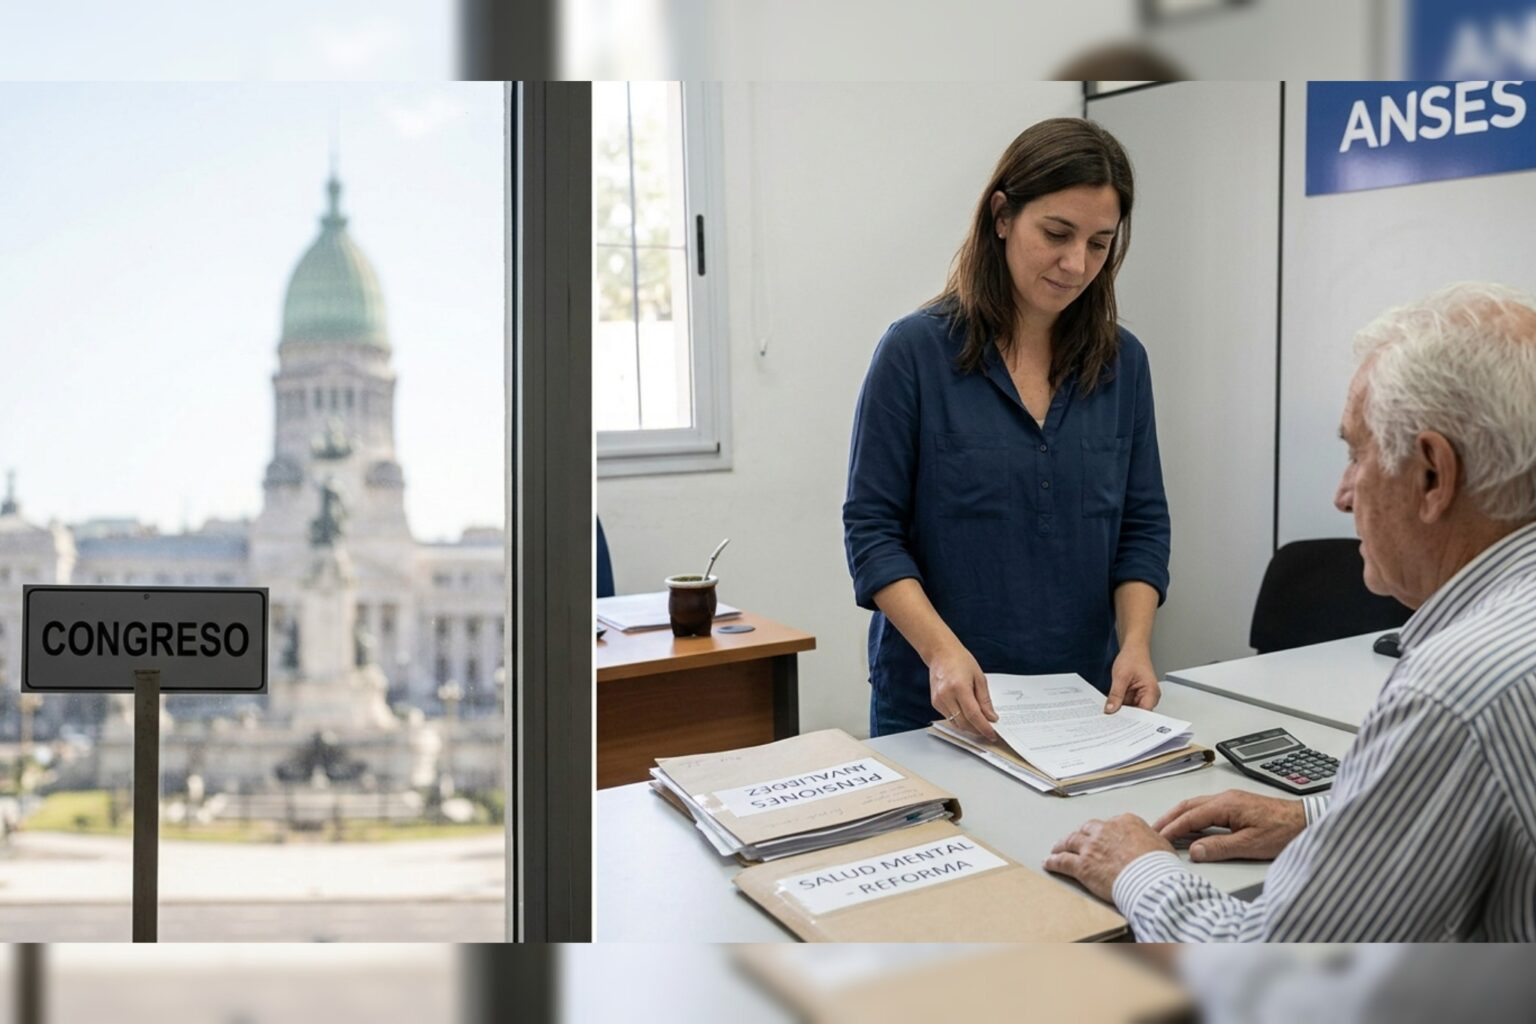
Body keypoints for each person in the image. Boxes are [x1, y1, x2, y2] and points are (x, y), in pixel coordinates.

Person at [1046, 282, 1536, 940]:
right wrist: (1316, 818)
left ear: (1431, 476)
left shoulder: (1454, 690)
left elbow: (1277, 989)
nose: (1340, 494)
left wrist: (1138, 868)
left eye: (1356, 453)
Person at [842, 117, 1171, 739]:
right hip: (937, 705)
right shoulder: (914, 353)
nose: (1076, 264)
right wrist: (941, 652)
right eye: (1056, 234)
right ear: (1001, 216)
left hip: (1083, 703)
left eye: (1099, 244)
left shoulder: (1124, 364)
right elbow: (872, 529)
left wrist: (1135, 645)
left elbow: (1143, 526)